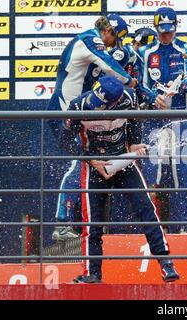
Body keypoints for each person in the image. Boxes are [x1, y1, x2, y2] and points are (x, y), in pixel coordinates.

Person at [60, 75, 179, 283]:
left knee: (147, 210)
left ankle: (166, 264)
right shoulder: (78, 105)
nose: (97, 107)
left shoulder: (129, 98)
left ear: (116, 102)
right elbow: (65, 141)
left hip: (123, 161)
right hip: (95, 165)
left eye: (103, 105)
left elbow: (134, 121)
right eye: (96, 101)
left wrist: (134, 144)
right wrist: (91, 159)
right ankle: (92, 274)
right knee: (92, 224)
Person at [49, 14, 137, 241]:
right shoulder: (90, 40)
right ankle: (61, 223)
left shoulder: (89, 45)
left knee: (83, 163)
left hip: (73, 111)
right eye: (114, 38)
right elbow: (109, 66)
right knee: (79, 164)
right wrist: (131, 81)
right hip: (65, 111)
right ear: (107, 30)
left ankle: (71, 222)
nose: (112, 44)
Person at [138, 7, 187, 234]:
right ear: (156, 28)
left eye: (170, 30)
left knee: (182, 173)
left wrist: (176, 89)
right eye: (163, 31)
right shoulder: (145, 52)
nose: (167, 35)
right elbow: (139, 85)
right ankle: (152, 228)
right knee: (152, 171)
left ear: (176, 27)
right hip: (153, 119)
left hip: (181, 119)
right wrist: (155, 98)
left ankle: (183, 228)